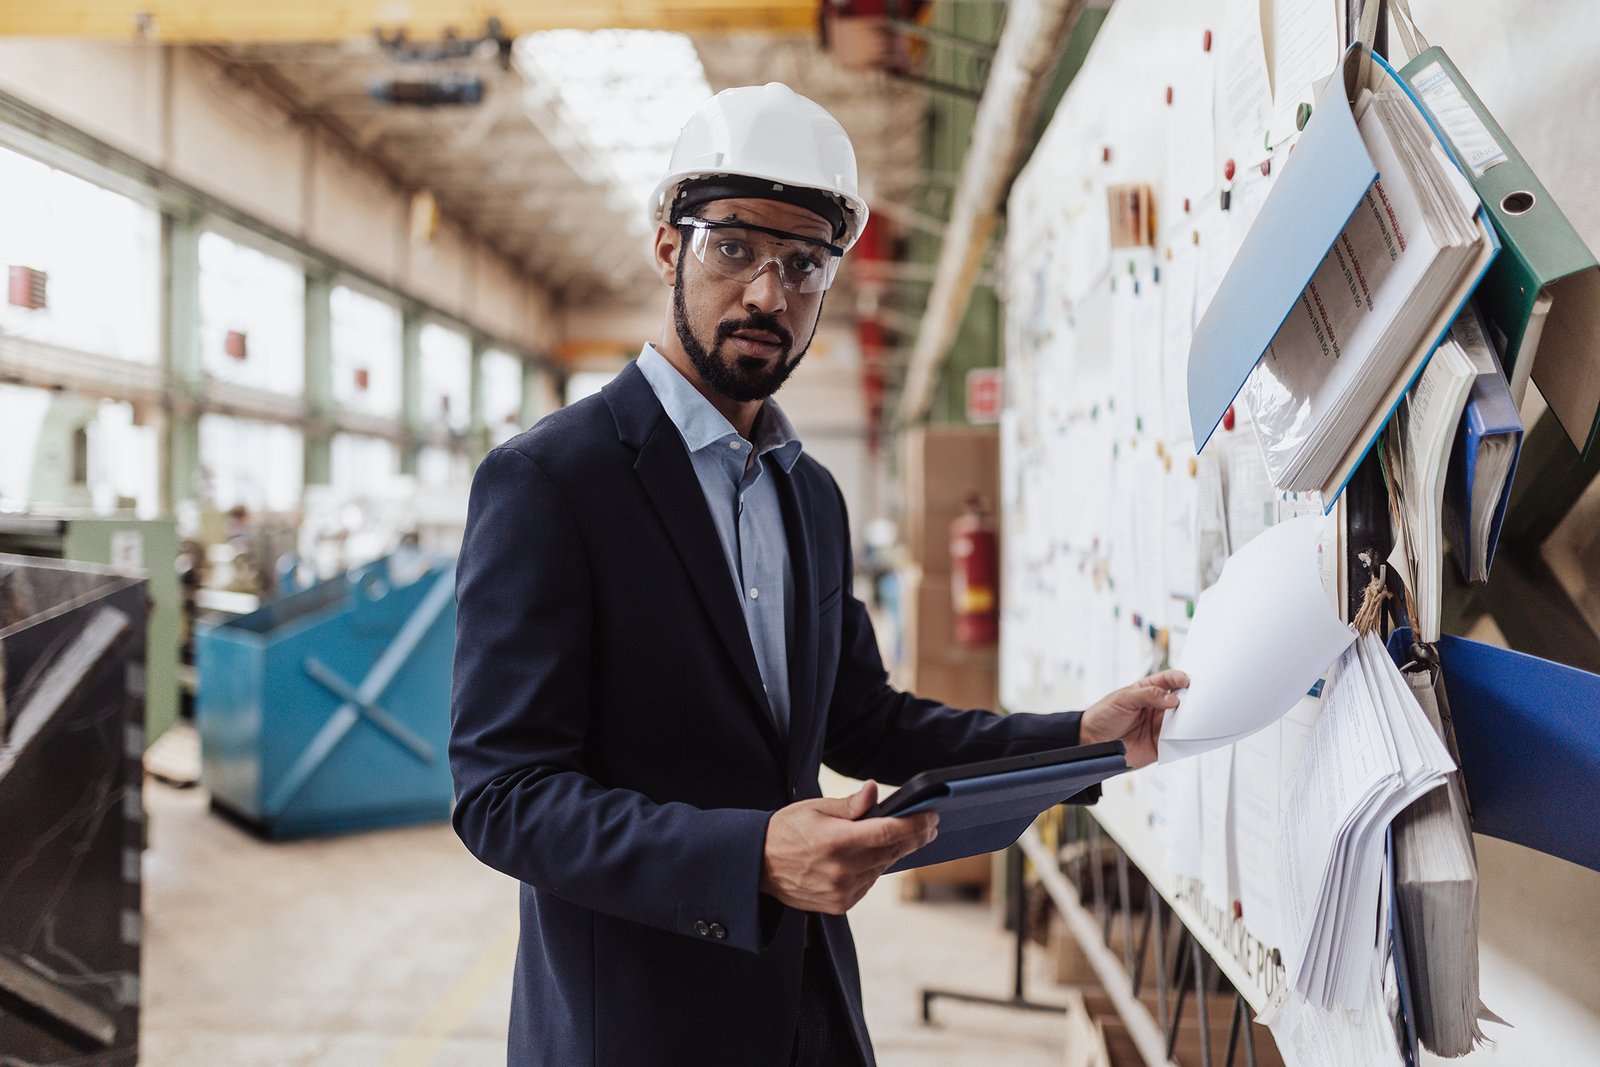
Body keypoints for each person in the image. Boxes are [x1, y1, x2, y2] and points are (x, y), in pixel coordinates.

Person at [449, 82, 1187, 1067]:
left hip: (806, 1010)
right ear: (668, 248)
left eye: (804, 263)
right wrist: (749, 854)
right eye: (733, 248)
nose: (768, 293)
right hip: (630, 1024)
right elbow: (503, 793)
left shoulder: (810, 497)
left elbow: (864, 721)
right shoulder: (550, 482)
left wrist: (1078, 740)